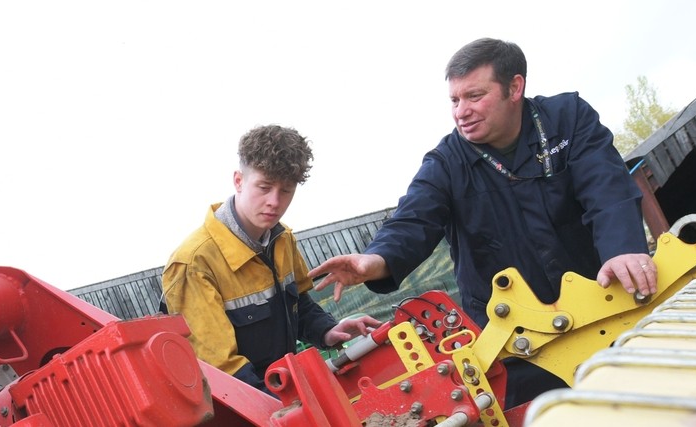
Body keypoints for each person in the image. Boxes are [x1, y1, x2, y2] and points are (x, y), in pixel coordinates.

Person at [307, 38, 654, 406]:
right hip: (515, 342)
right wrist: (373, 261)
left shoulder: (568, 120)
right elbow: (412, 220)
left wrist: (623, 251)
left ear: (515, 88)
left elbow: (607, 187)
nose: (461, 112)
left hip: (602, 310)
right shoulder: (446, 162)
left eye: (474, 96)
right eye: (454, 101)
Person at [161, 125, 383, 391]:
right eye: (264, 187)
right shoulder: (194, 264)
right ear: (239, 180)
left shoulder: (282, 238)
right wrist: (285, 408)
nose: (274, 202)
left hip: (282, 392)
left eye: (286, 191)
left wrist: (327, 331)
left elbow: (298, 303)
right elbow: (222, 371)